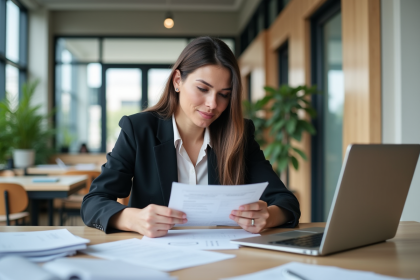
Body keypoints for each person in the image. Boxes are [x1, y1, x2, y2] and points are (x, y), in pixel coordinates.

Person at [81, 37, 300, 237]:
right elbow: (93, 202)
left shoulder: (239, 135)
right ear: (177, 80)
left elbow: (286, 202)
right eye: (203, 89)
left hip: (225, 258)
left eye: (224, 94)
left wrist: (268, 216)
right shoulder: (139, 129)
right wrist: (133, 219)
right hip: (157, 258)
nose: (213, 104)